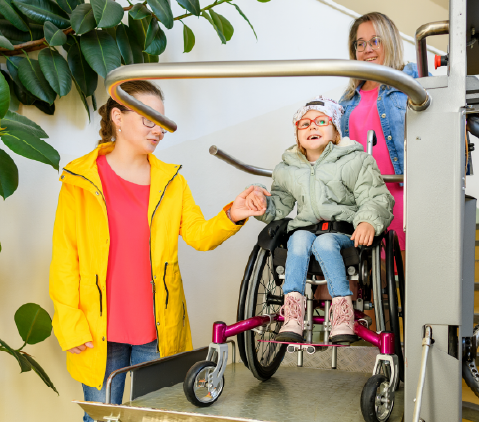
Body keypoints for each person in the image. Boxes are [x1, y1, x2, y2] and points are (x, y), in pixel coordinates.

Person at [48, 80, 265, 421]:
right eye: (149, 120)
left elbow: (198, 235)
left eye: (162, 123)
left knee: (153, 418)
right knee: (102, 418)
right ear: (117, 117)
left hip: (156, 327)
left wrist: (232, 214)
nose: (159, 130)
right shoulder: (80, 179)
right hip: (96, 329)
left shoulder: (171, 180)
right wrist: (70, 323)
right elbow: (65, 257)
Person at [245, 97, 393, 344]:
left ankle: (343, 315)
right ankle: (292, 314)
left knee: (324, 243)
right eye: (304, 124)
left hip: (343, 233)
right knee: (299, 237)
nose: (312, 127)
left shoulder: (356, 161)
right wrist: (260, 202)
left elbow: (375, 197)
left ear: (335, 130)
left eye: (321, 121)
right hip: (305, 232)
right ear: (297, 134)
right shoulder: (287, 169)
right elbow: (279, 206)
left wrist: (367, 221)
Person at [339, 12, 419, 255]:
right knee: (370, 276)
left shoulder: (411, 80)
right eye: (360, 44)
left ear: (390, 43)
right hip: (363, 198)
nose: (367, 49)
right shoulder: (348, 98)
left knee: (409, 278)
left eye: (375, 41)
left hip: (403, 192)